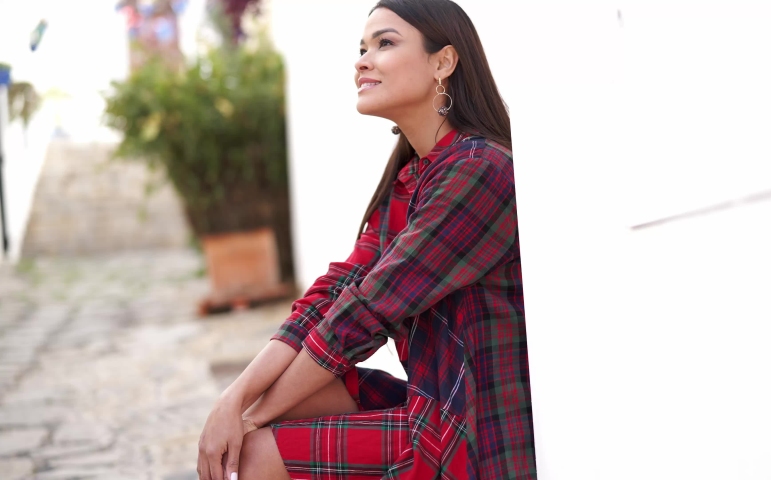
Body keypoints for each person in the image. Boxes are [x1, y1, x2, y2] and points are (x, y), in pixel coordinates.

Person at [197, 0, 536, 478]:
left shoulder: (479, 171)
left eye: (385, 43)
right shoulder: (411, 177)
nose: (362, 60)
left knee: (253, 456)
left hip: (476, 435)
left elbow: (366, 312)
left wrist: (249, 418)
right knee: (305, 394)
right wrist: (233, 399)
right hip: (430, 407)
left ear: (443, 62)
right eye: (362, 47)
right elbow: (334, 294)